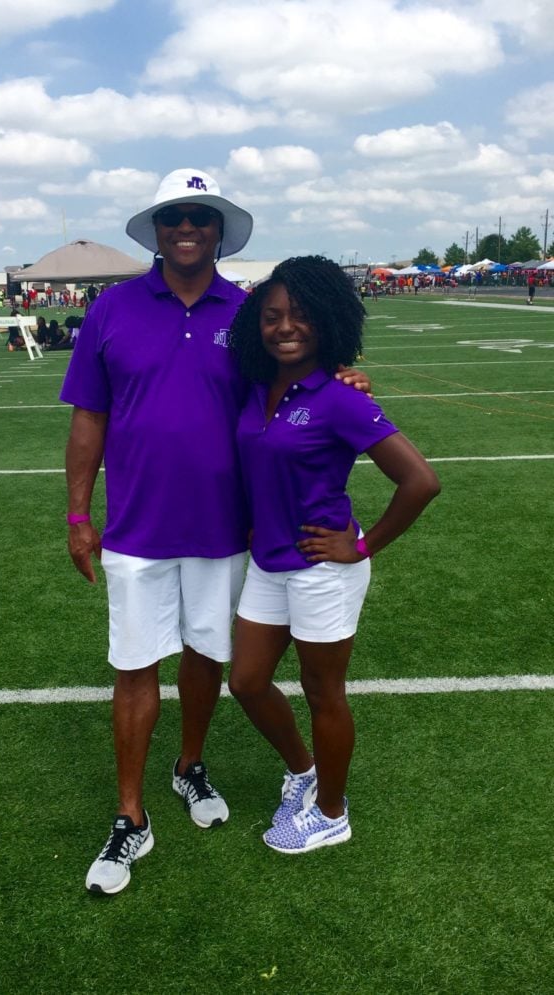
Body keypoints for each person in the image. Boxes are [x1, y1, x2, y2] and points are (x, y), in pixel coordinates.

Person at [59, 170, 371, 895]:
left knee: (206, 656)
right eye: (175, 216)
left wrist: (344, 376)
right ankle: (130, 814)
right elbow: (87, 419)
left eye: (201, 215)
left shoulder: (253, 310)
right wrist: (79, 514)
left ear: (220, 229)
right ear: (159, 229)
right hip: (135, 527)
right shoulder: (111, 310)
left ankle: (189, 765)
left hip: (229, 528)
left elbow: (298, 370)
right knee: (134, 665)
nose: (187, 226)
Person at [227, 255, 440, 854]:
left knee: (324, 693)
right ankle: (303, 771)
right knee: (245, 681)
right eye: (272, 317)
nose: (285, 326)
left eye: (301, 315)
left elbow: (420, 481)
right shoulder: (254, 384)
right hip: (269, 560)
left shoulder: (340, 396)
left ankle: (331, 811)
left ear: (326, 322)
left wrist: (362, 544)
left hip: (323, 566)